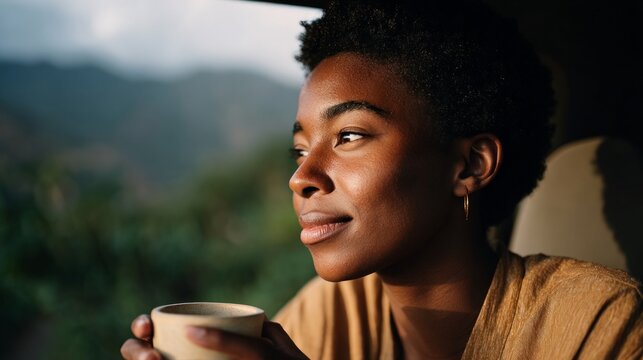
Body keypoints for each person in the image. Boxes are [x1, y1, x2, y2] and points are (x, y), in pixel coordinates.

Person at [120, 1, 642, 359]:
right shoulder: (335, 310)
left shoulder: (602, 325)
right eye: (300, 149)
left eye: (349, 136)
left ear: (470, 166)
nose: (301, 177)